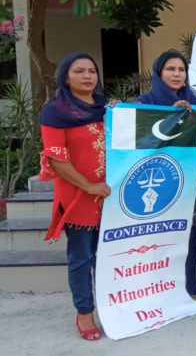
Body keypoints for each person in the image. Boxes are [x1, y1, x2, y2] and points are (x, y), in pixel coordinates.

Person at [38, 53, 117, 341]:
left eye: (92, 71)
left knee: (109, 255)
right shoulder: (55, 112)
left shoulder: (108, 107)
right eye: (79, 71)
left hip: (112, 195)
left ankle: (114, 308)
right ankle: (84, 312)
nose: (87, 76)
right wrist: (89, 186)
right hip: (78, 196)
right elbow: (56, 158)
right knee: (82, 257)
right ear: (66, 76)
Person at [137, 50, 196, 308]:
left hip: (191, 179)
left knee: (189, 236)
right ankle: (155, 292)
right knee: (157, 238)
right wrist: (170, 119)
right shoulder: (145, 101)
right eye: (170, 69)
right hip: (158, 179)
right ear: (159, 73)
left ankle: (188, 290)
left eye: (181, 70)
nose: (176, 74)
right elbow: (140, 143)